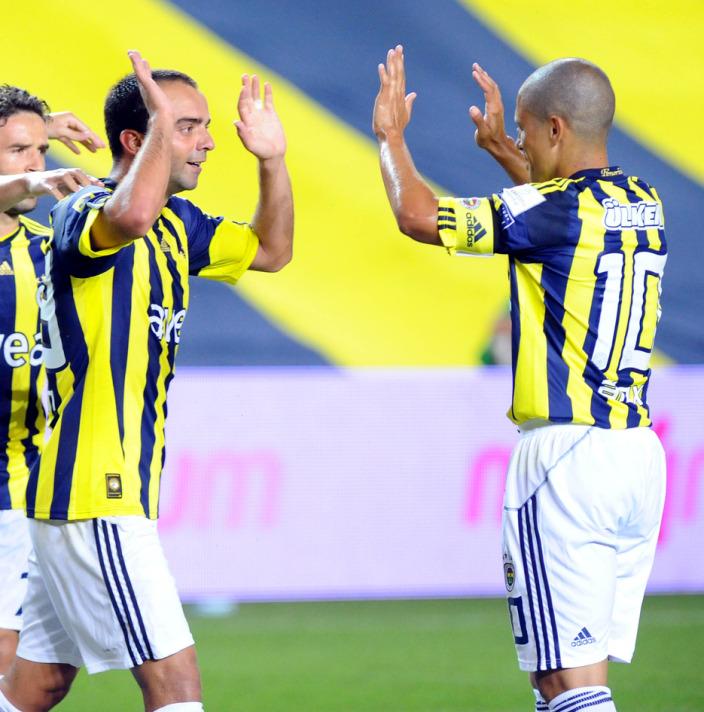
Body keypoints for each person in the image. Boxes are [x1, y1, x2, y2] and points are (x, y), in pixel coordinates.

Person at [372, 46, 667, 712]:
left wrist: (391, 137)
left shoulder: (554, 213)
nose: (523, 143)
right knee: (568, 678)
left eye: (528, 132)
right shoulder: (641, 200)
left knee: (568, 685)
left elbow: (417, 215)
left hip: (567, 461)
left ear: (556, 128)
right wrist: (508, 155)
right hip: (635, 455)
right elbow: (552, 212)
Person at [0, 49, 293, 712]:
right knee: (175, 684)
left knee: (36, 685)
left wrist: (272, 161)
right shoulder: (83, 211)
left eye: (203, 126)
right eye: (186, 127)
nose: (208, 141)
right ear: (137, 140)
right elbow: (128, 218)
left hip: (88, 493)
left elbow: (272, 250)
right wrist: (162, 131)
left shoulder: (180, 225)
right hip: (93, 490)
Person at [0, 84, 103, 675]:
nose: (39, 162)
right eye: (19, 150)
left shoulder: (50, 254)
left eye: (42, 150)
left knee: (39, 672)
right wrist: (31, 178)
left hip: (19, 493)